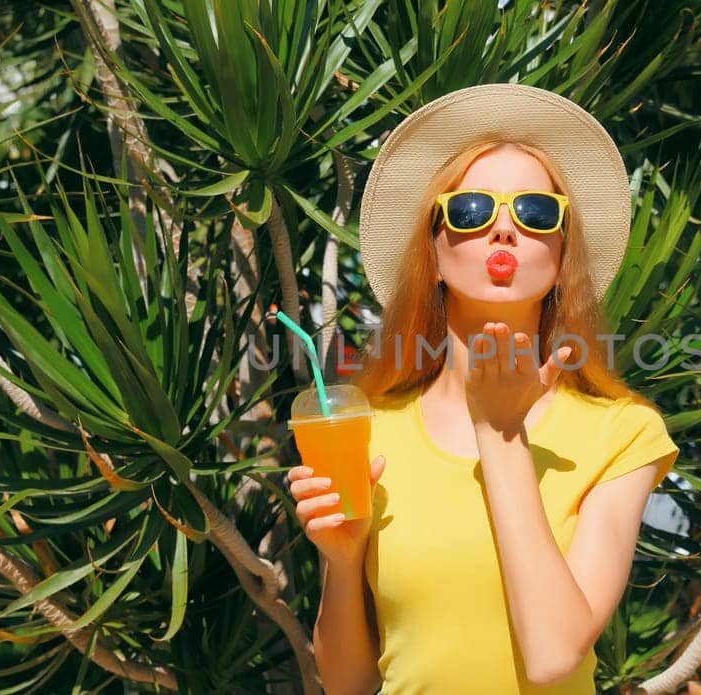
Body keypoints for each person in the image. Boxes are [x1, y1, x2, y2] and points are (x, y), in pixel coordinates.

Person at [285, 83, 679, 694]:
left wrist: (502, 433)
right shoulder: (369, 433)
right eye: (471, 210)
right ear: (434, 251)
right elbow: (349, 685)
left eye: (536, 211)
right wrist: (341, 559)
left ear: (560, 254)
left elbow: (552, 657)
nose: (504, 231)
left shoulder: (621, 434)